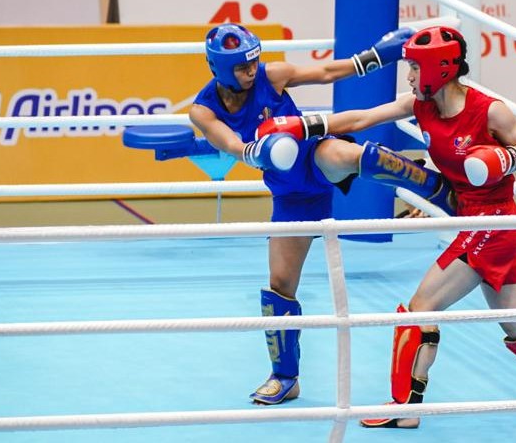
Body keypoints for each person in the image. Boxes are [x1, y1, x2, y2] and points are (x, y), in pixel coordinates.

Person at [258, 25, 516, 426]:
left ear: (438, 69)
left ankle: (406, 408)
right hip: (482, 222)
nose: (408, 76)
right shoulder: (421, 104)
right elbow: (363, 117)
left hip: (492, 222)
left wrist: (501, 159)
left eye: (413, 69)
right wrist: (304, 126)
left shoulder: (488, 109)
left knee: (419, 308)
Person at [189, 23, 457, 405]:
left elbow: (329, 71)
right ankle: (285, 377)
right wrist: (259, 151)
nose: (252, 71)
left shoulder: (273, 75)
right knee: (279, 285)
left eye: (253, 63)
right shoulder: (203, 110)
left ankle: (436, 188)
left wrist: (379, 56)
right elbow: (230, 144)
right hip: (289, 194)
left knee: (346, 154)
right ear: (218, 67)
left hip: (315, 157)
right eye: (242, 68)